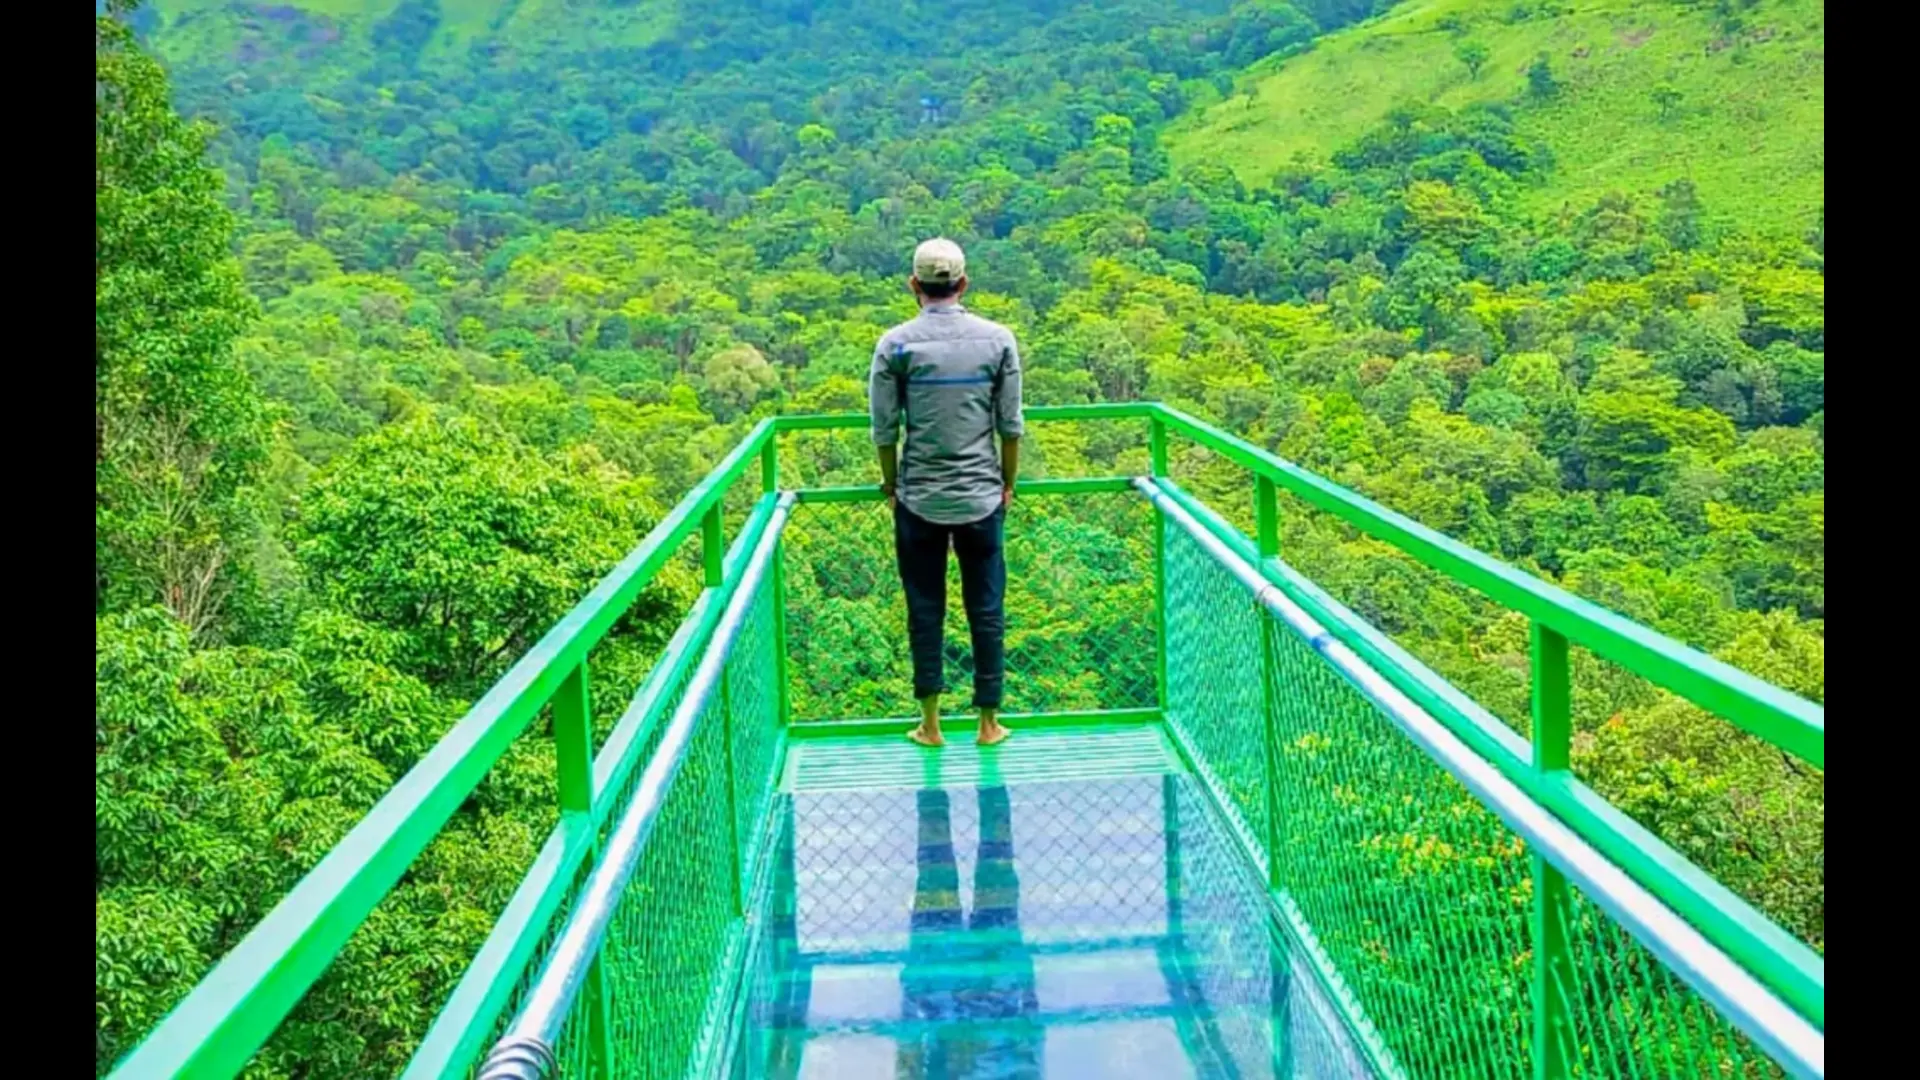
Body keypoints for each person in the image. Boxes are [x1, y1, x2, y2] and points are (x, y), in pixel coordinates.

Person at [869, 237, 1024, 748]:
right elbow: (1010, 425)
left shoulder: (895, 345)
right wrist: (1006, 484)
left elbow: (885, 428)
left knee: (925, 608)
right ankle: (988, 724)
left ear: (914, 285)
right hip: (982, 498)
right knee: (986, 608)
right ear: (964, 284)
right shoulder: (998, 340)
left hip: (919, 500)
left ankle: (931, 724)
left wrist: (892, 484)